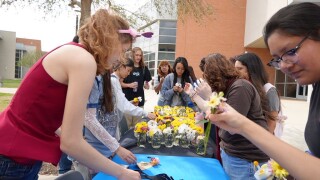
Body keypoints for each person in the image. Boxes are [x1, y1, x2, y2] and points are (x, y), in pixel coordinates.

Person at [0, 9, 140, 179]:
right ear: (109, 41)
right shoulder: (83, 61)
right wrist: (123, 173)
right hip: (11, 159)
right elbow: (71, 143)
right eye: (123, 50)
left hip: (15, 155)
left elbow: (43, 114)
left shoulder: (74, 53)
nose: (122, 58)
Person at [206, 2, 320, 179]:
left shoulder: (245, 88)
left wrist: (242, 125)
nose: (283, 66)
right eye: (277, 59)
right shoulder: (316, 85)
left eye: (290, 51)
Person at [185, 53, 269, 179]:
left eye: (207, 76)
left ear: (215, 74)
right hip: (234, 154)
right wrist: (193, 94)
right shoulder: (230, 87)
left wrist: (209, 96)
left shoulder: (240, 87)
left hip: (245, 158)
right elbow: (212, 110)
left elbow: (231, 124)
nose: (207, 81)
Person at [234, 52, 281, 135]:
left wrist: (263, 143)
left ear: (251, 69)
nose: (235, 73)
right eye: (235, 69)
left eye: (240, 69)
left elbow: (272, 123)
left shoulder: (269, 91)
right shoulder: (244, 88)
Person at [121, 47, 152, 129]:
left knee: (137, 127)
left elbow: (147, 84)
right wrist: (129, 85)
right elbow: (119, 83)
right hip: (127, 101)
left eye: (140, 55)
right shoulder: (126, 67)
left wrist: (146, 85)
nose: (138, 57)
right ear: (132, 55)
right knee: (127, 126)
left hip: (139, 101)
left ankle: (136, 142)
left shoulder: (144, 68)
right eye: (136, 55)